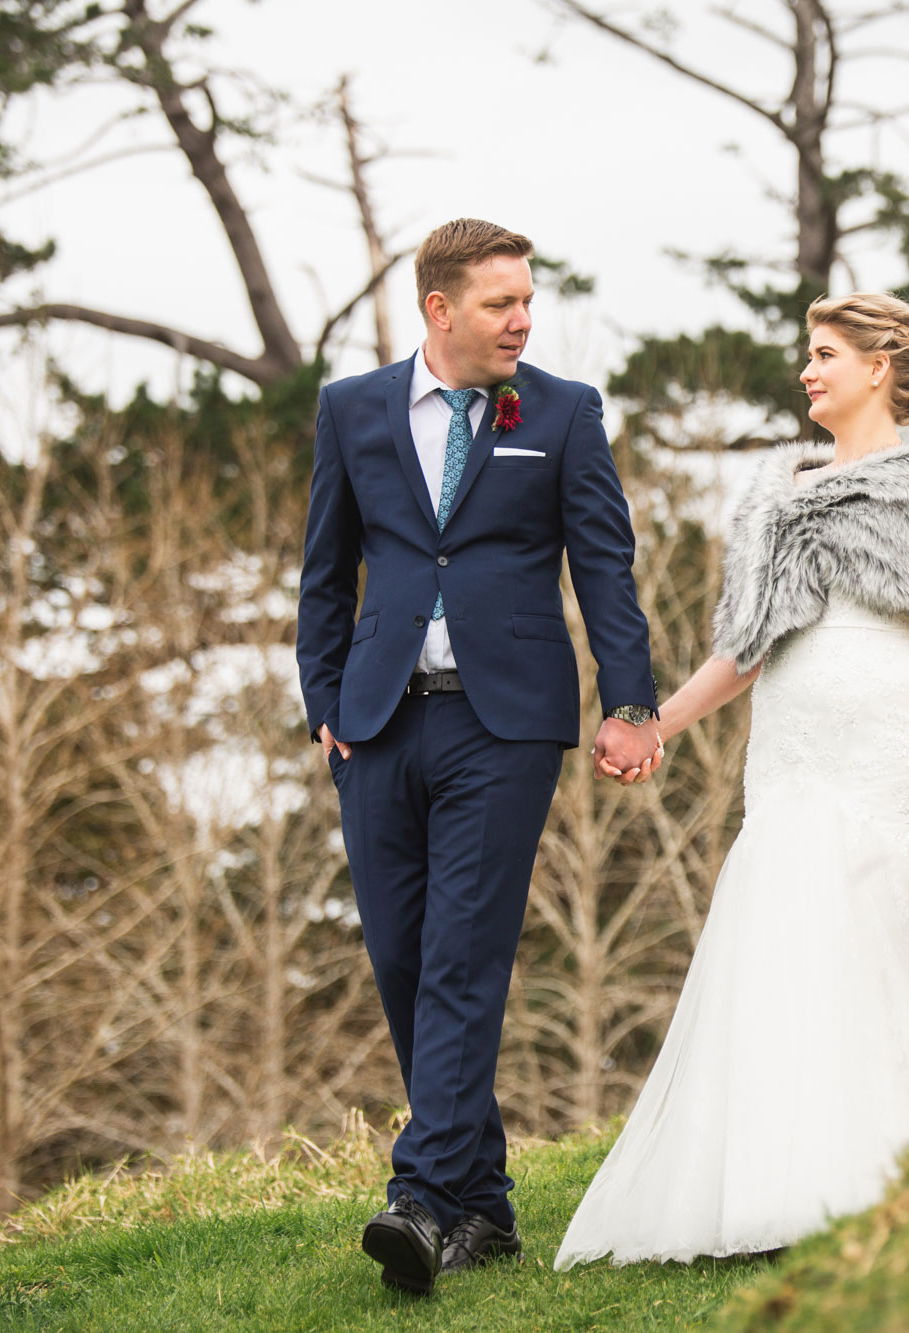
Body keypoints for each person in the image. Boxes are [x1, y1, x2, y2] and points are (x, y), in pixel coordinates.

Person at [554, 291, 909, 1269]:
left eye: (825, 354)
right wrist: (654, 723)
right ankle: (789, 1178)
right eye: (806, 355)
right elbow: (742, 649)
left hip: (886, 724)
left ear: (879, 365)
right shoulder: (774, 493)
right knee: (788, 923)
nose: (807, 371)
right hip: (791, 737)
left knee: (890, 921)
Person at [296, 217, 664, 1295]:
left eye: (527, 298)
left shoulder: (561, 412)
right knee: (404, 962)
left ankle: (419, 1192)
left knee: (462, 954)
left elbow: (605, 565)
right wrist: (325, 705)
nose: (523, 318)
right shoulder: (352, 410)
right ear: (439, 310)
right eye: (501, 302)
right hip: (375, 722)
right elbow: (325, 572)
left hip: (504, 725)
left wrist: (627, 700)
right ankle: (487, 1207)